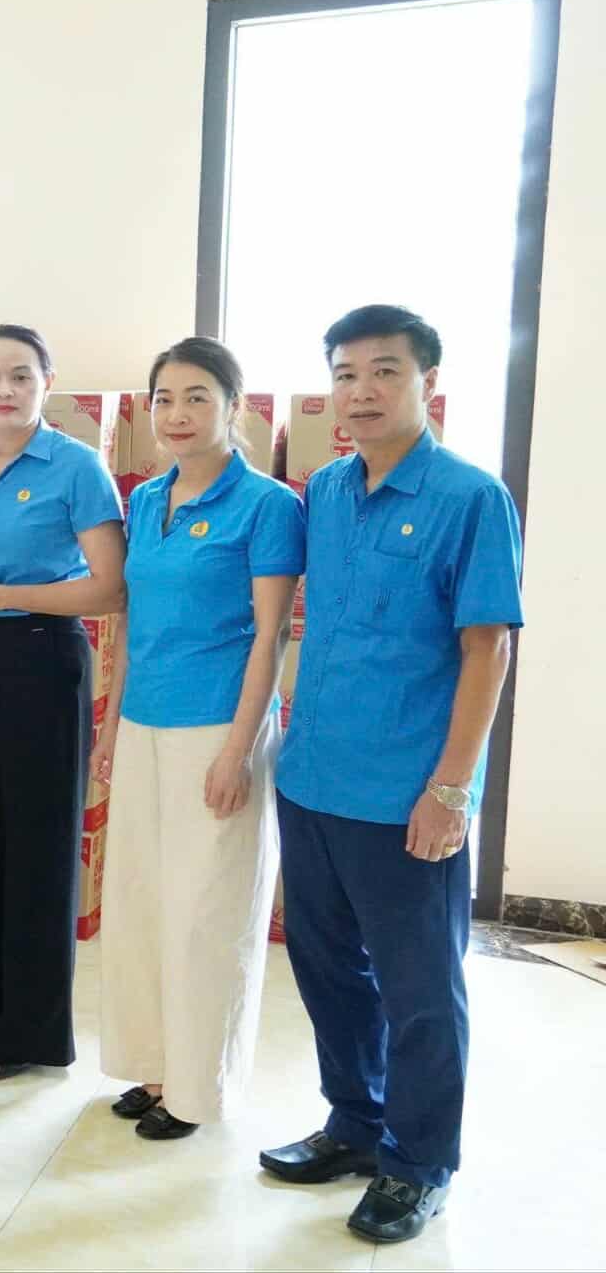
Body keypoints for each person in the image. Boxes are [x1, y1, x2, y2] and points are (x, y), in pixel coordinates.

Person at [259, 305, 521, 1244]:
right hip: (314, 777)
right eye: (345, 374)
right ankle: (355, 1122)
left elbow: (485, 650)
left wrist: (451, 789)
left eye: (383, 372)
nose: (360, 392)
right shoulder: (325, 489)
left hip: (407, 793)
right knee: (329, 971)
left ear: (427, 386)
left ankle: (419, 1162)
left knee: (419, 989)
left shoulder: (468, 497)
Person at [89, 337, 304, 1139]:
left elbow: (270, 634)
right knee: (143, 902)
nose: (176, 415)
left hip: (218, 725)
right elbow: (134, 622)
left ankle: (199, 1088)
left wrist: (240, 749)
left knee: (207, 912)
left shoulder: (269, 505)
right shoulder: (147, 500)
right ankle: (153, 1066)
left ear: (234, 408)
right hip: (144, 723)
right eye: (164, 399)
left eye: (197, 397)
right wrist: (111, 726)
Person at [0, 324, 124, 1080]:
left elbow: (109, 587)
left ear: (48, 382)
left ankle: (34, 1032)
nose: (3, 390)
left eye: (20, 375)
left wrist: (1, 595)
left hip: (43, 658)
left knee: (39, 849)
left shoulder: (77, 467)